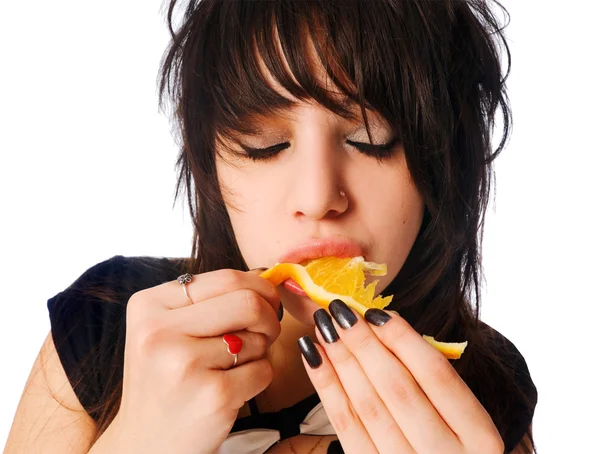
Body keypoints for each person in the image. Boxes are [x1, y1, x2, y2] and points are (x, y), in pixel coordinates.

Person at [5, 0, 537, 453]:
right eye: (264, 145)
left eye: (372, 139)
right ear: (210, 162)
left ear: (443, 163)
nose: (317, 197)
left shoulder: (482, 389)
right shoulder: (109, 325)